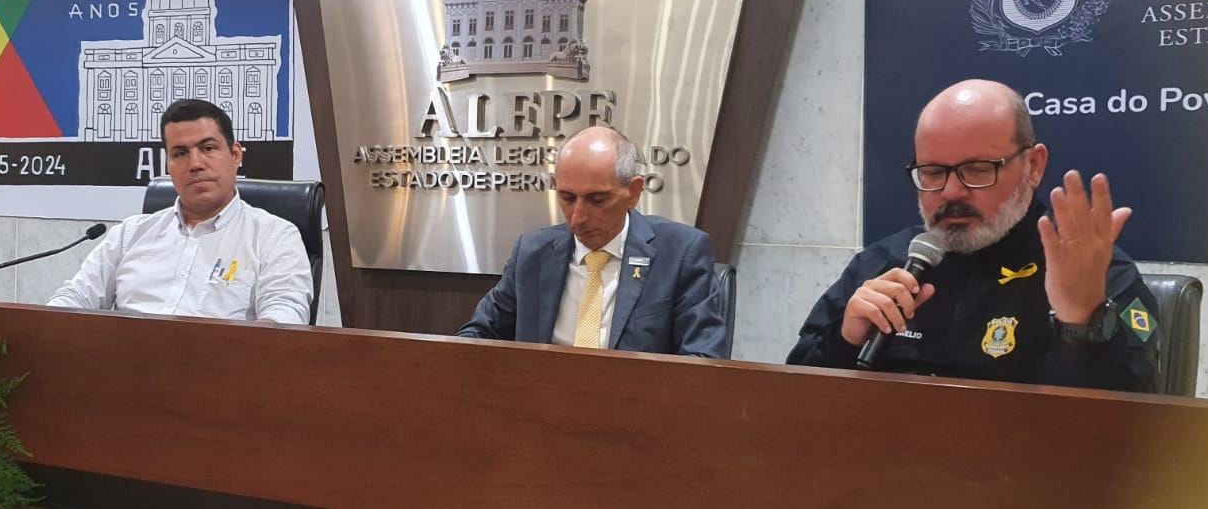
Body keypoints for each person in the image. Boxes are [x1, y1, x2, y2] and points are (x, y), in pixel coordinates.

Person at [787, 79, 1158, 391]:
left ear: (1033, 166)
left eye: (978, 170)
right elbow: (795, 401)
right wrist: (845, 340)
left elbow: (1135, 431)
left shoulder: (1093, 274)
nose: (951, 192)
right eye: (933, 172)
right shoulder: (884, 262)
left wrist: (1081, 323)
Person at [458, 126, 728, 357]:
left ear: (633, 192)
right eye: (567, 198)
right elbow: (479, 333)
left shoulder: (680, 254)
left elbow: (701, 360)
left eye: (597, 200)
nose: (578, 218)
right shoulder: (532, 252)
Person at [48, 99, 312, 323]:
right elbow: (75, 296)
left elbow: (284, 315)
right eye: (180, 153)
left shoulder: (273, 236)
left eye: (208, 148)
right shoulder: (130, 234)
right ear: (169, 165)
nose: (195, 163)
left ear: (235, 155)